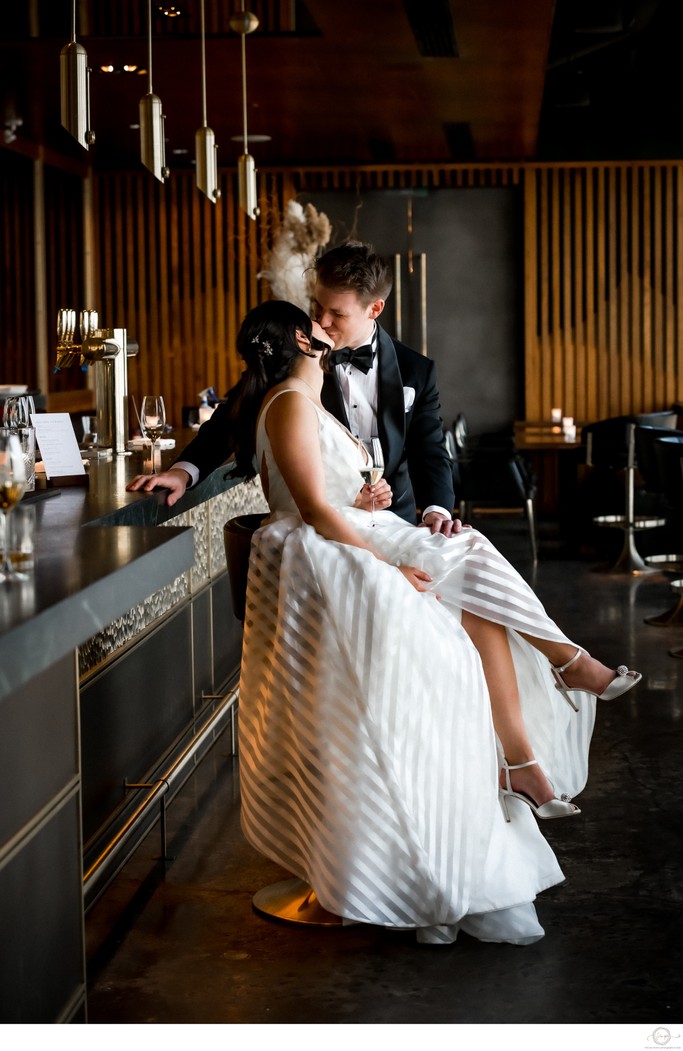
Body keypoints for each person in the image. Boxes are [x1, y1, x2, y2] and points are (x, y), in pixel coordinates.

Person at [228, 299, 641, 946]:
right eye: (317, 321)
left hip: (349, 533)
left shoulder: (303, 403)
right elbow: (308, 506)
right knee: (454, 616)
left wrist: (364, 498)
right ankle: (549, 690)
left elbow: (323, 493)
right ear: (304, 340)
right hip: (322, 558)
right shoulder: (285, 401)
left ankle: (531, 723)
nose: (327, 327)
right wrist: (388, 568)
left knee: (468, 555)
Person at [126, 242, 456, 533]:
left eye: (337, 314)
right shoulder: (295, 356)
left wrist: (437, 513)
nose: (322, 322)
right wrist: (184, 472)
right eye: (318, 307)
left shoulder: (417, 371)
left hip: (394, 524)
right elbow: (231, 416)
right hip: (320, 534)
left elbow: (430, 451)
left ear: (374, 309)